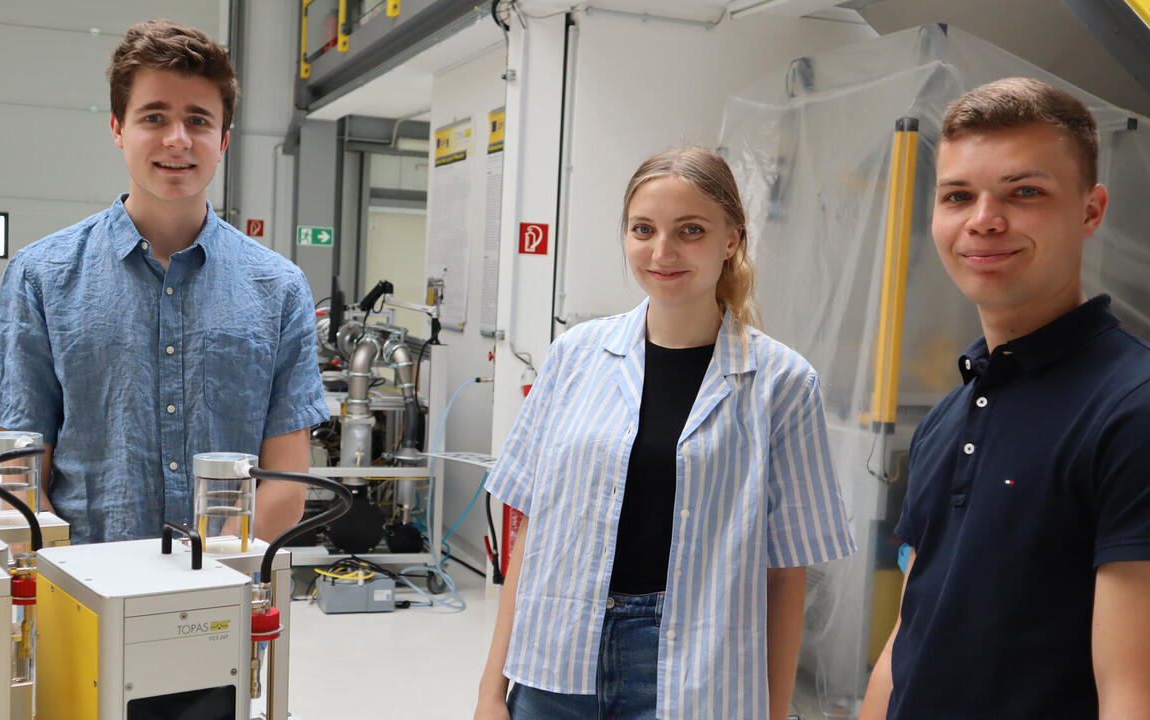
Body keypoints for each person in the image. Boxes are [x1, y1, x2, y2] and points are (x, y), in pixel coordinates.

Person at [474, 146, 855, 720]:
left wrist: (776, 714)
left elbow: (786, 571)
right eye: (643, 229)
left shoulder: (782, 383)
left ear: (731, 240)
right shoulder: (575, 356)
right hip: (555, 658)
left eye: (690, 230)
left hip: (694, 672)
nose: (662, 252)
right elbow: (530, 529)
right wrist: (490, 691)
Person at [0, 19, 327, 544]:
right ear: (118, 128)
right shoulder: (42, 276)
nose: (177, 139)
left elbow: (285, 484)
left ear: (223, 139)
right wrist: (76, 581)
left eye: (198, 120)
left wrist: (200, 585)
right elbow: (18, 476)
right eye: (154, 116)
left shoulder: (279, 288)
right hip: (82, 594)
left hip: (222, 600)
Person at [859, 78, 1150, 719]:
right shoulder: (950, 415)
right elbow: (909, 636)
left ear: (1091, 210)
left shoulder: (1131, 410)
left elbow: (1134, 692)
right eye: (958, 195)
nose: (984, 220)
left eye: (1025, 192)